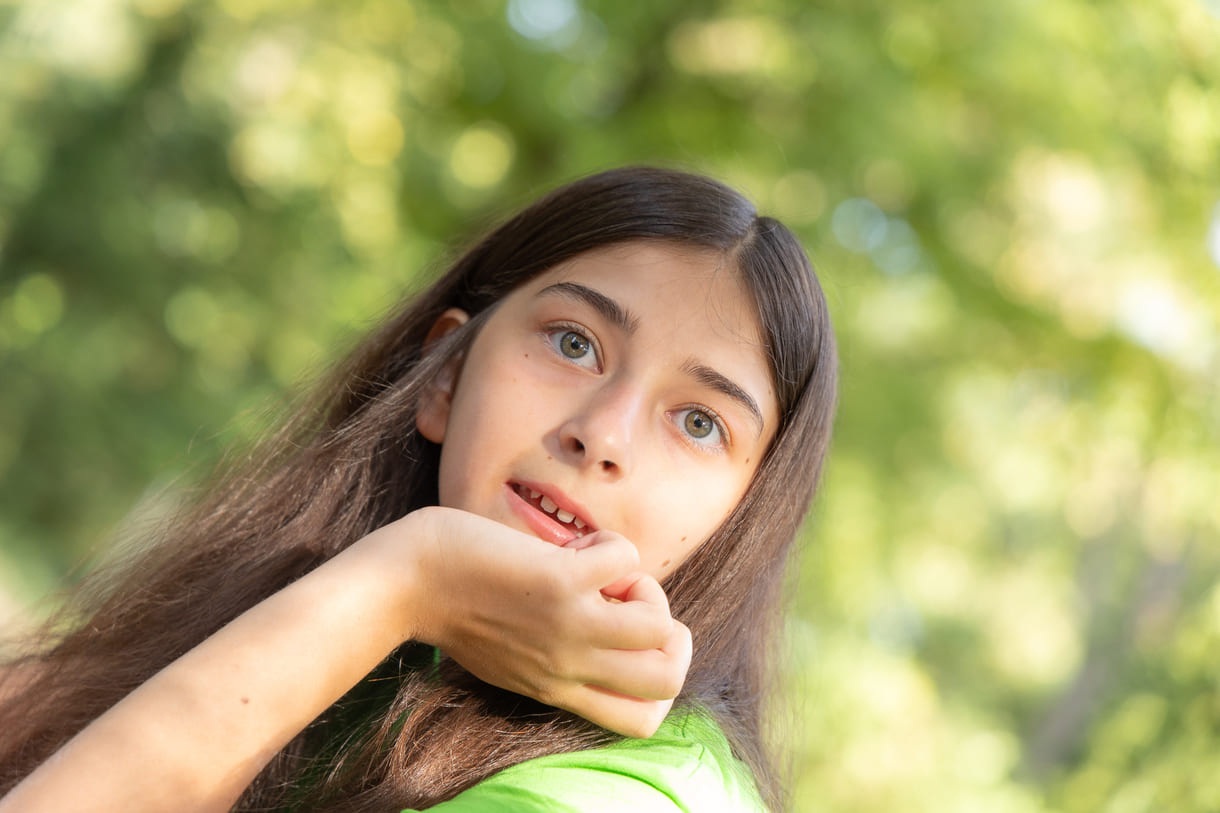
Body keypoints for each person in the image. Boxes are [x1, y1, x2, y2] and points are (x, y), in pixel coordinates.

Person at [0, 166, 837, 812]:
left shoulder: (605, 797)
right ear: (444, 377)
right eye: (574, 343)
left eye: (700, 423)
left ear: (741, 520)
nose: (603, 434)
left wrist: (407, 579)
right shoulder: (321, 632)